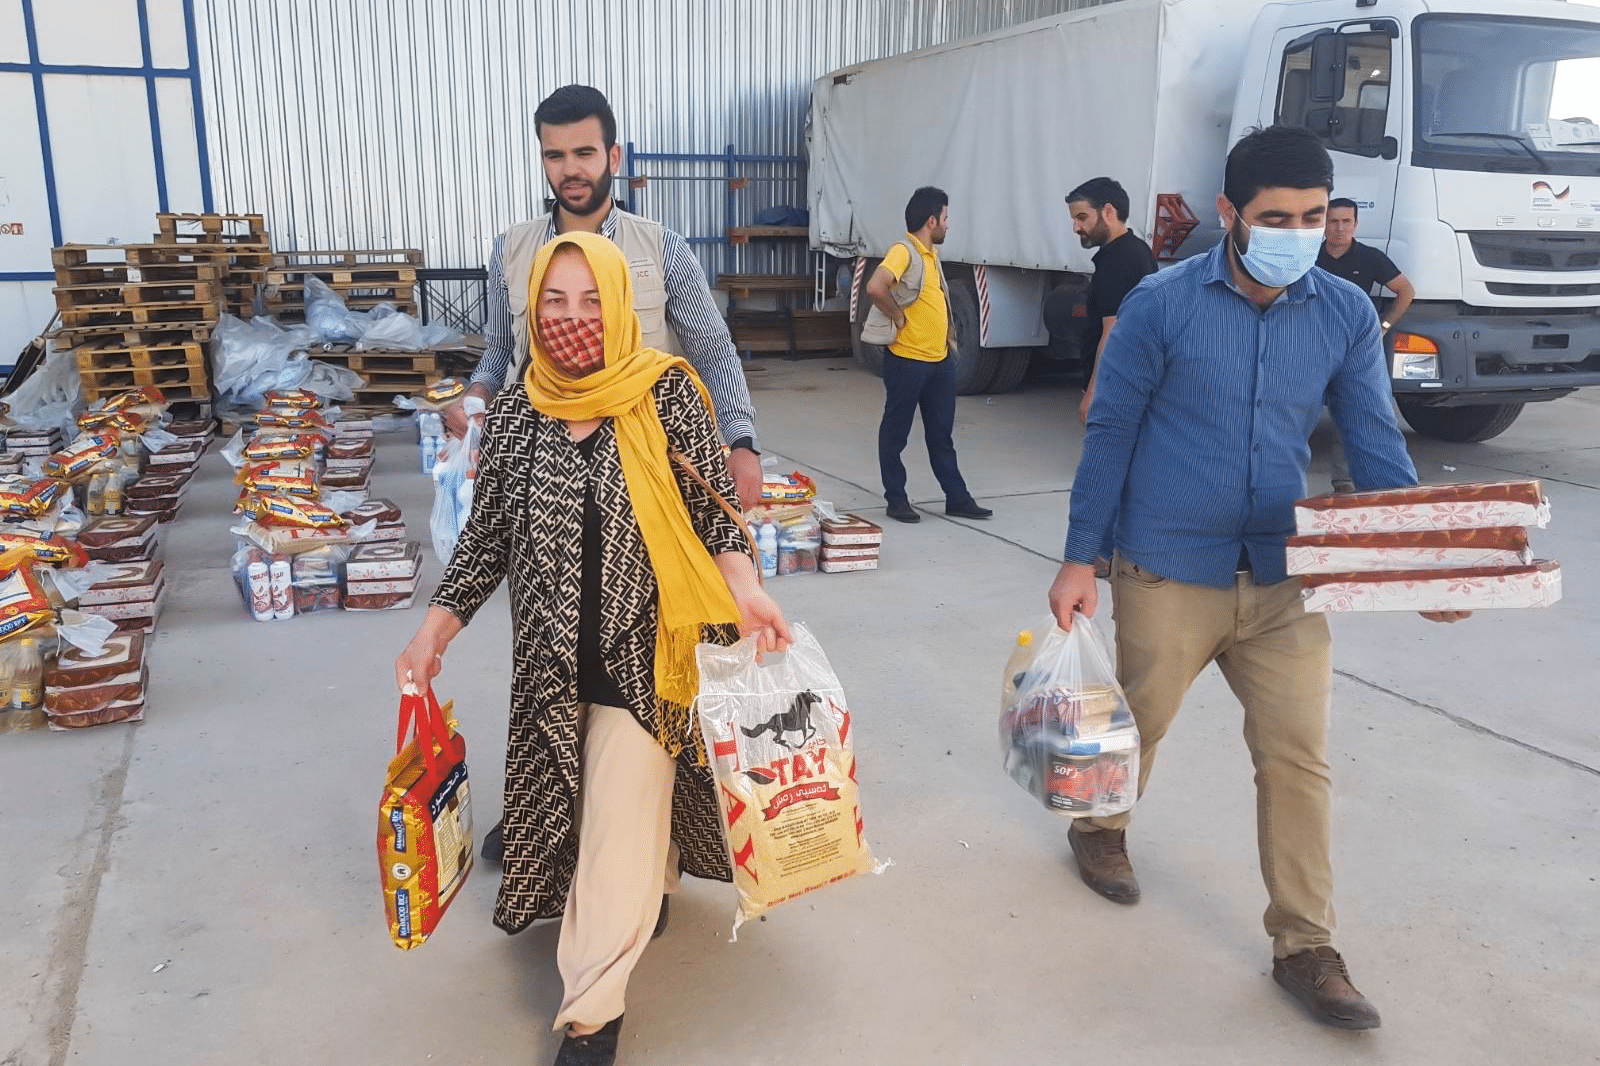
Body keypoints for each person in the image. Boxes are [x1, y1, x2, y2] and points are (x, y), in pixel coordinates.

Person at [1046, 126, 1468, 1032]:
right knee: (1139, 725)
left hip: (1284, 577)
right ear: (1232, 214)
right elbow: (1111, 429)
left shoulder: (1346, 314)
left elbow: (1376, 441)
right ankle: (1101, 829)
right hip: (1166, 565)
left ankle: (1307, 947)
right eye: (1277, 217)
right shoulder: (1163, 306)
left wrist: (1417, 558)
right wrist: (1082, 556)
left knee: (1297, 759)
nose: (1299, 232)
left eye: (1314, 217)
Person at [397, 232, 790, 1066]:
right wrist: (436, 627)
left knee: (611, 839)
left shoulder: (666, 395)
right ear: (532, 309)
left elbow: (712, 516)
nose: (573, 321)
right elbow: (488, 537)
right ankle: (654, 881)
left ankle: (590, 1012)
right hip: (550, 667)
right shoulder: (518, 412)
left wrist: (747, 589)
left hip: (647, 664)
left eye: (591, 303)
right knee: (581, 819)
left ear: (619, 306)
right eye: (554, 302)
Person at [451, 84, 763, 511]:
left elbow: (711, 351)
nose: (570, 170)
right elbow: (503, 349)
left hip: (645, 463)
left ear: (612, 157)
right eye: (554, 156)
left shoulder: (661, 248)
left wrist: (742, 443)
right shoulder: (510, 250)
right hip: (541, 468)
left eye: (584, 153)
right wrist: (475, 398)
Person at [861, 186, 993, 524]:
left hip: (938, 362)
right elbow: (876, 287)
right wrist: (898, 316)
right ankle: (897, 499)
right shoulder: (904, 251)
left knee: (941, 437)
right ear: (931, 220)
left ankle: (957, 498)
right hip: (907, 361)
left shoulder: (930, 255)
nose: (948, 225)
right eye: (946, 218)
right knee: (896, 434)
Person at [1318, 197, 1416, 492]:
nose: (1339, 228)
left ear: (1356, 224)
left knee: (1356, 411)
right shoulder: (1307, 255)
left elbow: (1405, 290)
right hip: (1313, 342)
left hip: (1356, 349)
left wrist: (1383, 326)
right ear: (1322, 224)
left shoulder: (1371, 258)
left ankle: (1345, 481)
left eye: (1346, 221)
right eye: (1333, 221)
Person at [1066, 177, 1158, 425]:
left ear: (1108, 212)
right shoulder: (1136, 250)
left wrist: (1095, 392)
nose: (1075, 227)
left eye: (1082, 218)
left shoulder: (1118, 260)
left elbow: (1113, 331)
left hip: (1117, 389)